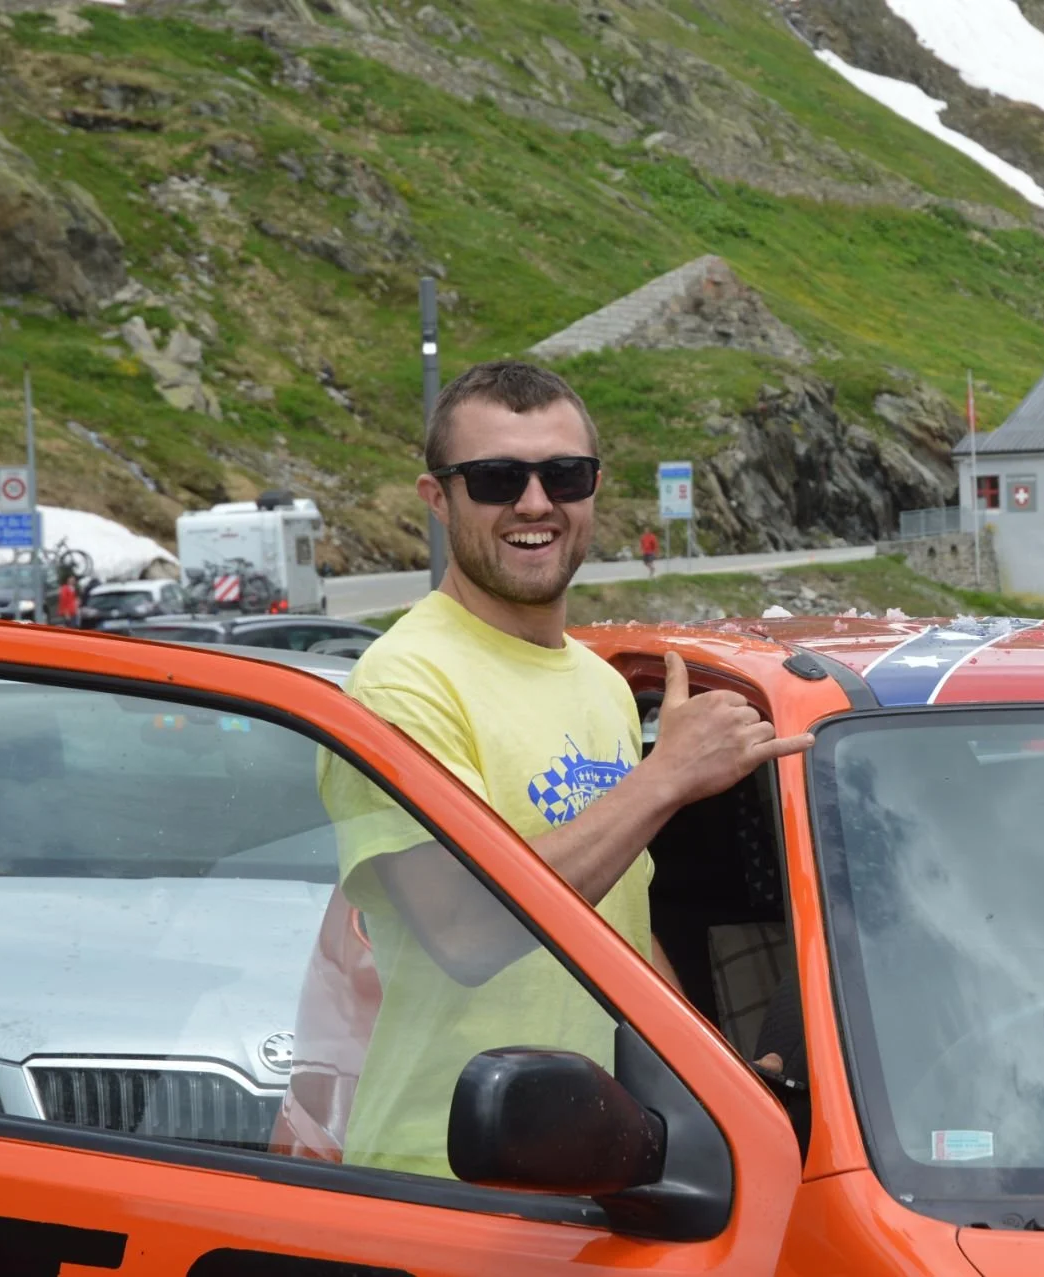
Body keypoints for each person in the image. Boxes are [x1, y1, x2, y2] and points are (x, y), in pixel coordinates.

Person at [317, 360, 813, 1177]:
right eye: (496, 478)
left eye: (564, 475)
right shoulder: (402, 682)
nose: (536, 502)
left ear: (593, 491)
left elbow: (616, 918)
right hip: (444, 1182)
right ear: (436, 499)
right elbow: (466, 930)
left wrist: (713, 1077)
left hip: (593, 1166)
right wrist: (664, 779)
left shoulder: (600, 687)